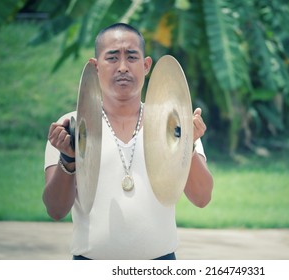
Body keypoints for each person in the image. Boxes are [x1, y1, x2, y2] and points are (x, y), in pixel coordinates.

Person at [43, 23, 214, 260]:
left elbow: (202, 198)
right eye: (112, 58)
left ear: (146, 66)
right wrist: (68, 158)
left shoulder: (175, 123)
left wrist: (189, 145)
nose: (122, 67)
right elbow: (55, 209)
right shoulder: (71, 126)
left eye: (132, 57)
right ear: (95, 67)